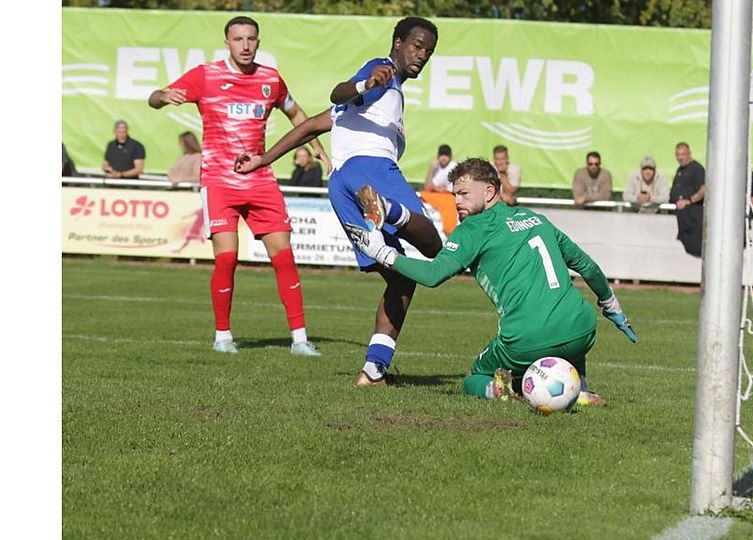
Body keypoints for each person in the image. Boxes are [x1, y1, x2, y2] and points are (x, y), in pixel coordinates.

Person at [234, 16, 443, 384]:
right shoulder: (384, 72)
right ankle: (389, 213)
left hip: (342, 184)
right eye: (416, 45)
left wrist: (264, 159)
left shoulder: (373, 101)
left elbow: (312, 125)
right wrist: (366, 81)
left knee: (402, 279)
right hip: (371, 172)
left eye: (428, 50)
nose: (422, 54)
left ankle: (373, 370)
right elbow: (339, 91)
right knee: (434, 247)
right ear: (397, 42)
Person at [344, 158, 637, 405]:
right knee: (567, 330)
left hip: (525, 339)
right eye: (454, 194)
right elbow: (587, 266)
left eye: (464, 194)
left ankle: (512, 392)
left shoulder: (473, 229)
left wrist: (382, 253)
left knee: (476, 377)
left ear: (489, 191)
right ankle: (580, 390)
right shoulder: (535, 218)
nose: (457, 201)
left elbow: (433, 276)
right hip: (584, 330)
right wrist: (612, 307)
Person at [147, 15, 329, 356]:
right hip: (218, 181)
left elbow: (295, 113)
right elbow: (155, 100)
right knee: (227, 260)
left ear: (258, 42)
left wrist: (316, 146)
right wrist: (160, 95)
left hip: (260, 179)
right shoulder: (206, 75)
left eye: (251, 39)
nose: (245, 45)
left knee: (285, 257)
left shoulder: (270, 79)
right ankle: (223, 337)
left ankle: (300, 340)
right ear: (227, 43)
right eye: (238, 39)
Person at [669, 142, 706, 257]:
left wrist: (689, 201)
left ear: (689, 154)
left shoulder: (697, 169)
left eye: (683, 154)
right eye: (678, 155)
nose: (680, 158)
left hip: (693, 219)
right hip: (680, 218)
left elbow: (704, 189)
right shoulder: (680, 170)